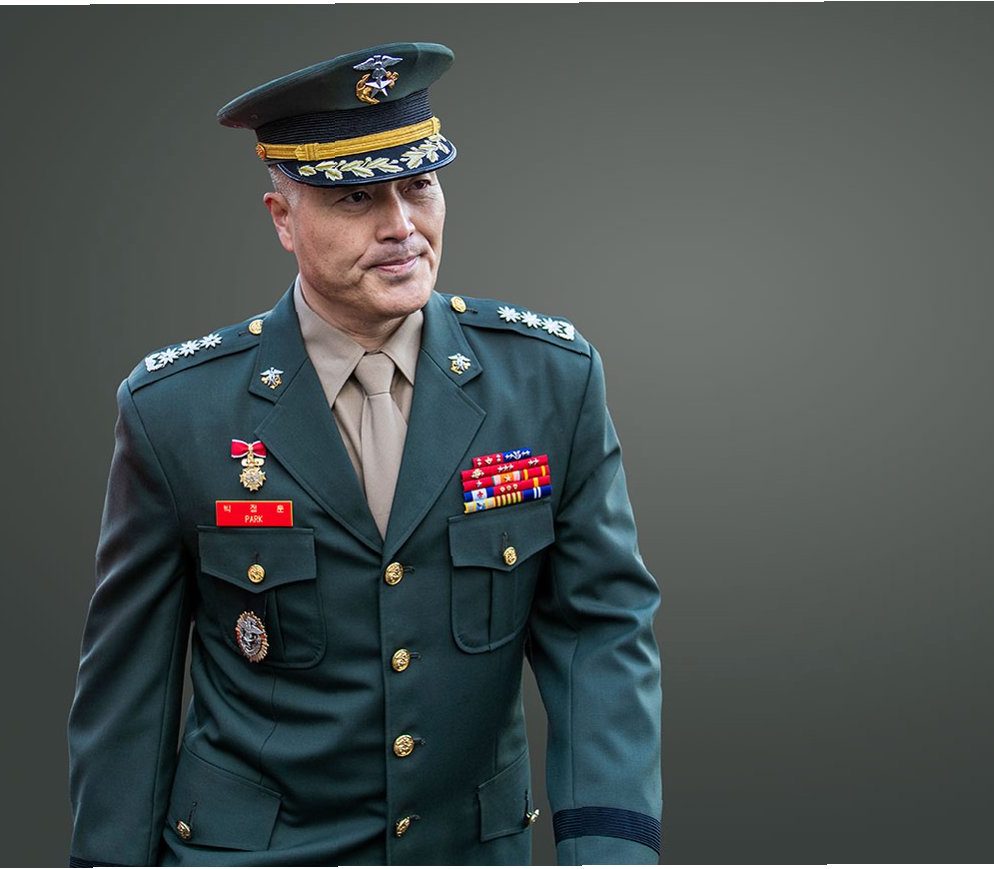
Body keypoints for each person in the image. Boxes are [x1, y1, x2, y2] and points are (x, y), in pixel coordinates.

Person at [67, 41, 661, 867]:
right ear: (283, 219)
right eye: (354, 196)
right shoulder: (176, 409)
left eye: (419, 185)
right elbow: (129, 691)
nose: (400, 227)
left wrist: (609, 854)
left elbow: (600, 635)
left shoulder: (548, 381)